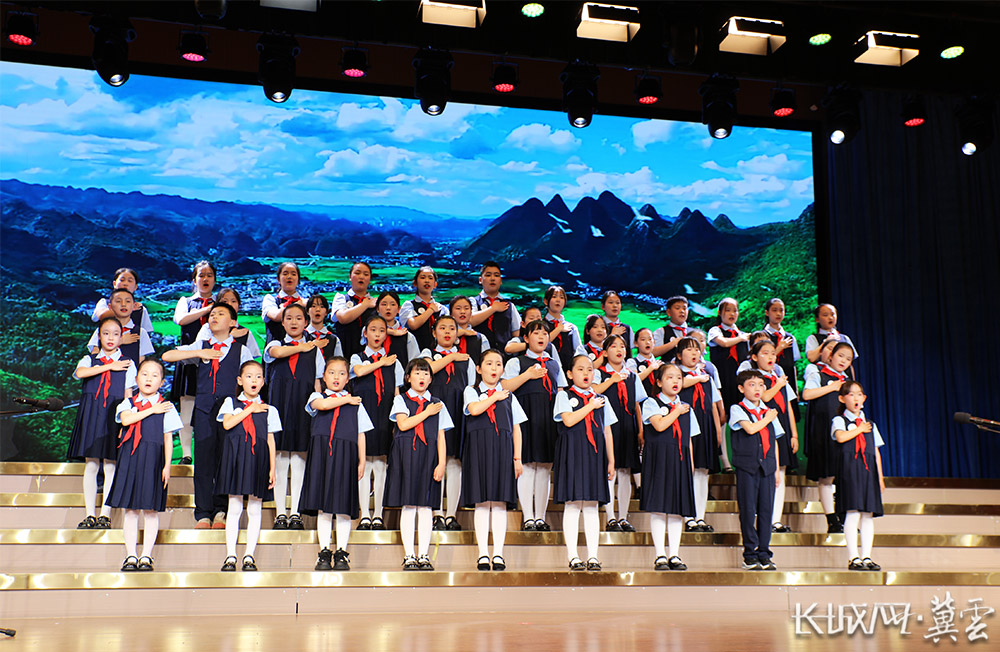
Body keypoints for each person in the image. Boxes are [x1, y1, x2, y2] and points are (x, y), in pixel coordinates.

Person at [163, 303, 255, 529]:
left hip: (230, 414)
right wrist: (198, 353)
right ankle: (203, 513)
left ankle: (221, 511)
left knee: (225, 461)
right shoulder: (201, 345)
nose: (214, 317)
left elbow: (251, 378)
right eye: (212, 314)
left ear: (233, 322)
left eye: (220, 314)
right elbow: (168, 355)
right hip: (204, 412)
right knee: (203, 462)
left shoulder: (241, 350)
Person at [301, 357, 373, 571]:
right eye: (331, 372)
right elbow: (323, 405)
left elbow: (361, 434)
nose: (336, 377)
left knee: (343, 507)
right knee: (324, 507)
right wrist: (346, 400)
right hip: (322, 455)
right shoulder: (317, 396)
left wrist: (361, 461)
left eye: (342, 373)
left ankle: (341, 551)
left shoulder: (356, 404)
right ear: (324, 377)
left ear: (347, 378)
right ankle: (324, 552)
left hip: (346, 455)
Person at [107, 359, 180, 572]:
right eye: (144, 374)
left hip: (154, 460)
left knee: (150, 510)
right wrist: (152, 410)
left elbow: (168, 438)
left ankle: (146, 555)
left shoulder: (166, 407)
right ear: (137, 378)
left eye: (155, 375)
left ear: (162, 382)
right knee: (130, 510)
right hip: (130, 458)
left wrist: (167, 466)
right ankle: (131, 555)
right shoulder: (127, 403)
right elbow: (126, 421)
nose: (149, 379)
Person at [68, 317, 136, 529]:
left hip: (113, 416)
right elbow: (80, 373)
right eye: (106, 333)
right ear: (99, 336)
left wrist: (126, 423)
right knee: (91, 464)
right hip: (91, 415)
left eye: (115, 334)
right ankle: (89, 514)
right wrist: (109, 366)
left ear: (121, 337)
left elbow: (128, 394)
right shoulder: (89, 359)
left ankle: (105, 514)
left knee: (110, 465)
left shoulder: (127, 363)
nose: (110, 338)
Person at [384, 358, 451, 571]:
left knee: (426, 506)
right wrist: (426, 413)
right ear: (408, 378)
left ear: (431, 379)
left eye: (426, 374)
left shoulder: (437, 403)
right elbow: (403, 424)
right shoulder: (401, 400)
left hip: (429, 456)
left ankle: (423, 554)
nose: (421, 377)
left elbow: (441, 436)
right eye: (417, 373)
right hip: (405, 455)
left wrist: (441, 463)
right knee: (409, 505)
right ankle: (409, 555)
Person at [462, 349, 526, 571]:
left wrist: (517, 458)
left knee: (499, 504)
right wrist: (494, 397)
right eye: (489, 364)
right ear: (479, 369)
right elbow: (474, 409)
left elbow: (517, 428)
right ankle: (482, 554)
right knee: (482, 503)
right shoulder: (471, 391)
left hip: (503, 451)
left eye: (498, 364)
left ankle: (498, 553)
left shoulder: (509, 396)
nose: (494, 368)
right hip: (478, 450)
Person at [263, 303, 325, 531]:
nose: (294, 322)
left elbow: (317, 382)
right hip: (279, 408)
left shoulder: (315, 352)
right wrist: (306, 346)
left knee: (299, 461)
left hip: (303, 409)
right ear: (282, 322)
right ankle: (281, 513)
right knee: (279, 460)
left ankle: (296, 512)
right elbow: (278, 354)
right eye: (289, 318)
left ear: (306, 322)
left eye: (299, 318)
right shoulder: (274, 344)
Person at [553, 354, 616, 571]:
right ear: (570, 374)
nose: (586, 373)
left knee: (591, 506)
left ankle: (593, 556)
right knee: (572, 504)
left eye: (590, 369)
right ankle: (573, 556)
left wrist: (611, 460)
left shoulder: (601, 399)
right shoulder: (564, 395)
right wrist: (590, 405)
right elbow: (568, 420)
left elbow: (607, 430)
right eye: (580, 369)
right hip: (571, 453)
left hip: (594, 455)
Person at [502, 320, 566, 531]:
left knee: (545, 469)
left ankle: (540, 517)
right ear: (526, 338)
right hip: (526, 419)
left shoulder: (554, 363)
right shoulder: (517, 362)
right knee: (527, 467)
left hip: (548, 420)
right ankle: (528, 517)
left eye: (545, 333)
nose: (541, 337)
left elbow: (561, 392)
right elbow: (505, 387)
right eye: (536, 333)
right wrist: (528, 375)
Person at [215, 360, 279, 572]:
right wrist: (251, 409)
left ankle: (249, 555)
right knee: (234, 507)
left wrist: (272, 467)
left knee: (255, 508)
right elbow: (227, 424)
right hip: (235, 458)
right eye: (249, 376)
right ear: (240, 380)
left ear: (263, 381)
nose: (254, 380)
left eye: (258, 376)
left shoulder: (269, 410)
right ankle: (230, 555)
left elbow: (270, 440)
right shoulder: (231, 403)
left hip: (258, 459)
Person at [640, 363, 699, 571]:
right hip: (658, 459)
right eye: (670, 377)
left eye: (679, 378)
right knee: (658, 508)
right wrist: (676, 411)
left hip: (680, 459)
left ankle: (674, 554)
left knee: (677, 510)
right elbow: (659, 425)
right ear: (658, 382)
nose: (675, 381)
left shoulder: (686, 408)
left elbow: (689, 438)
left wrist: (690, 464)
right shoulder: (651, 403)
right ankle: (660, 555)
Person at [420, 316, 476, 531]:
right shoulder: (428, 353)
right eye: (442, 328)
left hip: (457, 412)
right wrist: (451, 356)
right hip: (433, 412)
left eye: (452, 328)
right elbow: (428, 369)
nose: (447, 332)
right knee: (434, 460)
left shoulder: (467, 360)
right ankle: (436, 513)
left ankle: (451, 514)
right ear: (434, 333)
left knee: (454, 462)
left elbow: (471, 387)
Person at [350, 315, 404, 531]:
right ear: (365, 333)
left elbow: (397, 392)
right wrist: (381, 362)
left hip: (384, 416)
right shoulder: (358, 357)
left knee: (381, 466)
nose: (378, 334)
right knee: (362, 466)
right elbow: (359, 372)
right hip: (364, 415)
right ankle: (364, 514)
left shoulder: (394, 362)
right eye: (373, 330)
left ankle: (378, 515)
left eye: (382, 330)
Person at [730, 370, 784, 571]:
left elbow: (774, 441)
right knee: (748, 510)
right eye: (752, 385)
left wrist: (776, 469)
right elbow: (751, 429)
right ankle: (750, 554)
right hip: (747, 467)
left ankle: (764, 553)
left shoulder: (768, 412)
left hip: (767, 467)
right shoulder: (738, 408)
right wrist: (768, 418)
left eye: (761, 385)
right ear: (741, 388)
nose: (758, 389)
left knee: (766, 511)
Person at [592, 334, 645, 532]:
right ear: (605, 353)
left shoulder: (632, 376)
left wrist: (640, 430)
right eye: (613, 346)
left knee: (625, 472)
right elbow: (594, 391)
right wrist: (612, 380)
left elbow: (637, 404)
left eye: (622, 346)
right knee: (610, 471)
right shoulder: (599, 373)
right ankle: (610, 517)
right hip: (607, 428)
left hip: (628, 428)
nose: (619, 349)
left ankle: (623, 517)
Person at [832, 380, 885, 571]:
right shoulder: (840, 420)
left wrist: (880, 478)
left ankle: (867, 557)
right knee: (852, 512)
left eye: (859, 394)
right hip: (849, 471)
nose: (856, 398)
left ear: (864, 398)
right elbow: (840, 437)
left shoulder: (870, 425)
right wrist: (859, 429)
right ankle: (853, 557)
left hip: (868, 472)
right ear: (842, 398)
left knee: (868, 514)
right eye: (851, 394)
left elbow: (876, 451)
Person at [747, 339, 800, 533]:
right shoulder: (755, 379)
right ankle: (761, 518)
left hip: (782, 428)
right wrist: (778, 384)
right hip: (763, 428)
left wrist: (794, 434)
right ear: (754, 357)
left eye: (773, 353)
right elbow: (765, 397)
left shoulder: (779, 378)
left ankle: (775, 520)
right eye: (765, 353)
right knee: (764, 472)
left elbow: (788, 407)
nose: (770, 357)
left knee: (781, 473)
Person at [170, 260, 217, 465]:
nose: (205, 279)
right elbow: (180, 320)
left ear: (215, 279)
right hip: (188, 361)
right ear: (194, 279)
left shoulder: (220, 302)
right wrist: (209, 310)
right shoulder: (186, 301)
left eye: (209, 275)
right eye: (201, 275)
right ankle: (186, 454)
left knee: (212, 411)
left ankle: (211, 454)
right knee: (187, 410)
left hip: (214, 362)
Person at [803, 339, 853, 533]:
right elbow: (807, 395)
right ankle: (832, 520)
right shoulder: (818, 373)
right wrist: (832, 387)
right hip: (823, 431)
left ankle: (844, 518)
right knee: (826, 476)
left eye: (848, 359)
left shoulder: (847, 380)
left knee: (844, 476)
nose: (843, 361)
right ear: (830, 356)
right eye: (840, 356)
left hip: (844, 433)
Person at [675, 337, 722, 533]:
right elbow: (679, 386)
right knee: (688, 469)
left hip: (705, 427)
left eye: (697, 349)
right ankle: (687, 516)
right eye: (688, 349)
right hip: (684, 428)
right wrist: (697, 378)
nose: (694, 352)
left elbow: (712, 405)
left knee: (703, 472)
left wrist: (717, 430)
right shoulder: (676, 374)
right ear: (679, 355)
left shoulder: (706, 376)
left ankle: (700, 517)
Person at [87, 289, 154, 367]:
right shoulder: (101, 330)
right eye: (118, 301)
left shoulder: (141, 332)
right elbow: (95, 358)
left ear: (134, 306)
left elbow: (140, 361)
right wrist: (120, 341)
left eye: (128, 301)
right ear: (110, 307)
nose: (123, 304)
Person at [708, 298, 751, 411]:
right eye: (728, 310)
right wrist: (740, 338)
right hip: (722, 377)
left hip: (740, 379)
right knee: (723, 409)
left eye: (735, 310)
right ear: (719, 312)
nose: (732, 314)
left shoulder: (742, 335)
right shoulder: (715, 331)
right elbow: (724, 343)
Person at [90, 267, 154, 337]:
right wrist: (128, 309)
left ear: (136, 286)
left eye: (130, 281)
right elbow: (101, 316)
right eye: (122, 280)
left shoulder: (140, 309)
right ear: (114, 284)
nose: (125, 284)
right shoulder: (104, 302)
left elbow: (146, 333)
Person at [470, 261, 521, 351]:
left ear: (501, 281)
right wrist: (493, 308)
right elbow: (470, 321)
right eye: (488, 275)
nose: (492, 278)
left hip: (504, 355)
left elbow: (516, 332)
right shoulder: (473, 301)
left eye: (496, 275)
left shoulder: (510, 306)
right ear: (480, 280)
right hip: (479, 353)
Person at [333, 261, 377, 361]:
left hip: (369, 356)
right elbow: (343, 318)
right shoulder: (341, 298)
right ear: (350, 277)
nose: (361, 277)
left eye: (366, 274)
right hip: (343, 353)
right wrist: (365, 304)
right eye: (357, 273)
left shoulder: (376, 303)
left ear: (370, 279)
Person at [401, 266, 448, 352]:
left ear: (435, 284)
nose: (427, 281)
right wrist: (430, 310)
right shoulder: (408, 305)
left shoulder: (443, 309)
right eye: (422, 277)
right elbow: (413, 325)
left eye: (430, 278)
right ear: (415, 283)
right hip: (414, 352)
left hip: (439, 353)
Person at [260, 262, 306, 347]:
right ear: (278, 279)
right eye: (285, 274)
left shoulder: (305, 302)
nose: (289, 277)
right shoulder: (270, 299)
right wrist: (296, 305)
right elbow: (276, 316)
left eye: (293, 274)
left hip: (302, 350)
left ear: (298, 279)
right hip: (276, 350)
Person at [543, 286, 584, 372]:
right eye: (554, 297)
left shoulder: (572, 328)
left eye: (561, 298)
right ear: (546, 301)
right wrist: (558, 329)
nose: (558, 300)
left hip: (568, 371)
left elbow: (578, 352)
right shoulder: (540, 325)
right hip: (545, 369)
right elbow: (542, 343)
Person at [377, 291, 420, 367]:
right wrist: (392, 332)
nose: (388, 308)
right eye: (384, 304)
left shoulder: (408, 336)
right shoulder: (370, 332)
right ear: (377, 309)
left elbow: (414, 364)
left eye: (393, 304)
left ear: (398, 309)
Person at [450, 295, 490, 366]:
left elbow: (487, 362)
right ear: (451, 314)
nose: (462, 312)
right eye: (458, 308)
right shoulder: (444, 335)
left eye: (466, 308)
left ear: (471, 313)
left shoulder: (481, 338)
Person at [626, 327, 663, 400]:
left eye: (650, 339)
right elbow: (634, 380)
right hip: (640, 401)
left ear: (654, 342)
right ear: (636, 343)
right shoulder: (632, 362)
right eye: (643, 339)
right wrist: (650, 368)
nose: (647, 342)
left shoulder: (660, 364)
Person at [305, 295, 344, 363]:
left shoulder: (334, 339)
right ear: (307, 311)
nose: (318, 309)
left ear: (326, 312)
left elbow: (339, 363)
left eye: (322, 306)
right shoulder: (301, 336)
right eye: (313, 306)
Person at [651, 296, 689, 362]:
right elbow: (652, 352)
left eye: (684, 308)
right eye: (677, 308)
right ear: (668, 312)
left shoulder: (693, 332)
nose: (682, 311)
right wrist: (673, 343)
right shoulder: (661, 332)